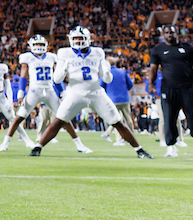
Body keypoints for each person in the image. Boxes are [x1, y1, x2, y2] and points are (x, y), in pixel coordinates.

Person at [29, 27, 150, 158]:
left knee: (117, 122)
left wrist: (107, 71)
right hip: (75, 93)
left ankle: (140, 150)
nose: (78, 41)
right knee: (58, 121)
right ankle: (37, 148)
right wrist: (64, 68)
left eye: (81, 38)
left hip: (96, 93)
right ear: (70, 40)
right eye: (75, 39)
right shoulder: (64, 53)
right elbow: (57, 79)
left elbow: (107, 79)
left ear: (88, 39)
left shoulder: (98, 52)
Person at [2, 35, 91, 153]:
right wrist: (20, 94)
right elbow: (23, 76)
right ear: (31, 46)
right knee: (19, 117)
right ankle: (5, 142)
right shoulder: (27, 57)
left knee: (64, 117)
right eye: (36, 45)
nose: (39, 47)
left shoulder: (51, 57)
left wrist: (63, 92)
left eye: (41, 44)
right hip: (34, 91)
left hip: (50, 91)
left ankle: (79, 145)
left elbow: (57, 77)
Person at [148, 25, 193, 159]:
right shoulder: (158, 50)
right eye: (166, 32)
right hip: (168, 89)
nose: (169, 34)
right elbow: (153, 69)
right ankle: (171, 147)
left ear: (177, 33)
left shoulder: (189, 48)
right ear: (163, 35)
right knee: (169, 119)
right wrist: (150, 84)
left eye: (171, 32)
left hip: (188, 88)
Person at [101, 57, 136, 146]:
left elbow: (101, 86)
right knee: (128, 119)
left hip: (112, 99)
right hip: (124, 99)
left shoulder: (106, 73)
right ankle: (132, 138)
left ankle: (118, 139)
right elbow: (130, 84)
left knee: (116, 120)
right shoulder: (123, 72)